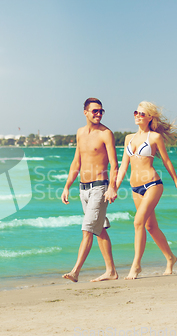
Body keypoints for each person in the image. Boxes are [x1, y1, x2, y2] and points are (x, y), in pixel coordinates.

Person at [115, 101, 177, 280]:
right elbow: (123, 166)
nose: (137, 115)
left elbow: (166, 161)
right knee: (150, 226)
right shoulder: (128, 138)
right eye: (135, 112)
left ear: (150, 117)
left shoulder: (154, 137)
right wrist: (114, 186)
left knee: (138, 222)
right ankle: (171, 258)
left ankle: (136, 265)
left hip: (153, 185)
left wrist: (176, 182)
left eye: (142, 113)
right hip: (135, 188)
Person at [61, 98, 119, 282]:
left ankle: (75, 271)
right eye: (95, 111)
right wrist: (67, 186)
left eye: (101, 111)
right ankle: (111, 271)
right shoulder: (80, 133)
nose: (98, 114)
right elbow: (76, 162)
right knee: (99, 228)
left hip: (99, 188)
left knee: (87, 230)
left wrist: (112, 187)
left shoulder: (106, 134)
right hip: (83, 188)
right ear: (85, 112)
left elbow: (114, 164)